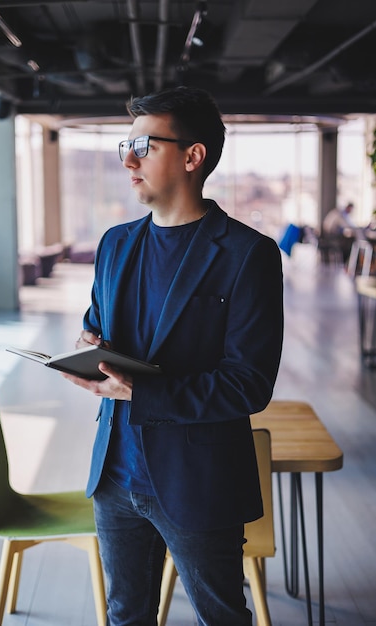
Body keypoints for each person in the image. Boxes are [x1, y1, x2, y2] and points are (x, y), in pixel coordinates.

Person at [62, 86, 284, 626]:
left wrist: (142, 389)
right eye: (125, 145)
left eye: (145, 145)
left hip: (197, 478)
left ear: (192, 156)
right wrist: (92, 349)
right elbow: (98, 326)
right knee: (124, 614)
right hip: (115, 471)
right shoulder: (115, 243)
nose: (128, 159)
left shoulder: (248, 254)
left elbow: (248, 384)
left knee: (221, 616)